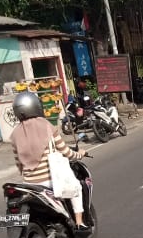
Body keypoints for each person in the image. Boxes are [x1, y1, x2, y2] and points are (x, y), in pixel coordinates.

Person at [11, 91, 86, 227]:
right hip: (51, 181)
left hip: (30, 185)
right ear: (36, 106)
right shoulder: (47, 126)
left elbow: (19, 164)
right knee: (76, 188)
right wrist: (79, 154)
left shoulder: (14, 134)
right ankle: (80, 222)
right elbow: (65, 151)